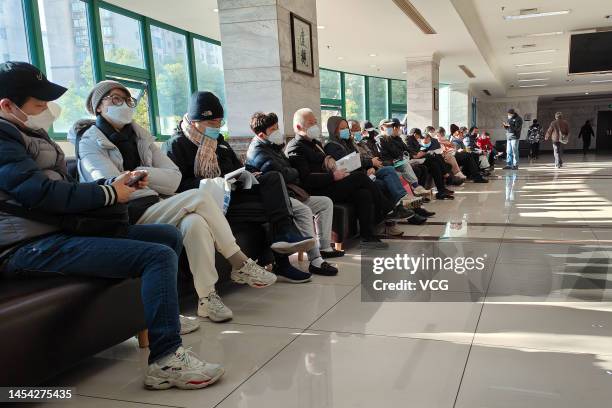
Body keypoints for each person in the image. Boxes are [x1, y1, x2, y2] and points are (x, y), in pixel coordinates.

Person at [0, 61, 223, 390]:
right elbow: (39, 192)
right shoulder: (5, 137)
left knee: (167, 235)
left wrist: (111, 190)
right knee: (157, 256)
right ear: (7, 105)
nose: (47, 110)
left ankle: (161, 320)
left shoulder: (28, 132)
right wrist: (108, 192)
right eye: (39, 104)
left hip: (57, 232)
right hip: (27, 247)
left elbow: (60, 187)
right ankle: (165, 359)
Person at [73, 82, 279, 323]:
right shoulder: (89, 141)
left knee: (195, 223)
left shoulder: (142, 137)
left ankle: (207, 298)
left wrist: (140, 173)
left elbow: (173, 178)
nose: (124, 105)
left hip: (154, 203)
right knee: (200, 195)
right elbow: (113, 187)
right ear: (98, 107)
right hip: (122, 212)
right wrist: (138, 179)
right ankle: (239, 261)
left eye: (128, 100)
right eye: (115, 99)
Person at [163, 92, 316, 284]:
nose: (216, 127)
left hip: (234, 194)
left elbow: (237, 168)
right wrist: (218, 183)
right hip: (209, 204)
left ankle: (286, 232)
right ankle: (283, 260)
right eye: (211, 123)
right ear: (195, 121)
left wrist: (250, 173)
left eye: (219, 122)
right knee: (273, 206)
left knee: (272, 178)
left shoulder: (220, 143)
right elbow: (175, 185)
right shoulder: (176, 145)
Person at [244, 111, 341, 276]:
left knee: (325, 202)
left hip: (291, 192)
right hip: (278, 197)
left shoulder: (272, 146)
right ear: (262, 134)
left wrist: (291, 172)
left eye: (277, 127)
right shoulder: (258, 151)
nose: (278, 131)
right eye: (273, 129)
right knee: (304, 210)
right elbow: (284, 173)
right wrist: (292, 172)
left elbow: (288, 170)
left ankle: (324, 247)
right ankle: (316, 260)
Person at [285, 108, 391, 249]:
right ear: (299, 127)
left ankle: (367, 236)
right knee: (359, 177)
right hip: (317, 190)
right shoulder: (295, 148)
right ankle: (386, 207)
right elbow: (306, 180)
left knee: (363, 194)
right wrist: (333, 176)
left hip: (329, 183)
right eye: (311, 123)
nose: (315, 126)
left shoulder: (314, 143)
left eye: (316, 122)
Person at [323, 116, 427, 226]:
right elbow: (351, 163)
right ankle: (407, 212)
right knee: (390, 180)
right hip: (358, 175)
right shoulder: (334, 145)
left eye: (347, 128)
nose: (347, 131)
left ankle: (407, 204)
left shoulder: (353, 142)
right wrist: (371, 164)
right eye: (343, 129)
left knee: (392, 172)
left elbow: (367, 158)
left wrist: (371, 166)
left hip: (371, 170)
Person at [353, 120, 434, 218]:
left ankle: (415, 209)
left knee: (403, 173)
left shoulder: (367, 143)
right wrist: (375, 165)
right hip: (380, 168)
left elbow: (377, 158)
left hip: (381, 167)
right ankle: (414, 210)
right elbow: (378, 158)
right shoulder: (377, 140)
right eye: (355, 130)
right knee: (397, 175)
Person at [370, 120, 432, 197]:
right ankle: (411, 193)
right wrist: (400, 157)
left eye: (391, 127)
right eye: (388, 127)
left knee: (420, 164)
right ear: (382, 128)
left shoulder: (391, 138)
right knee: (404, 168)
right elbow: (385, 156)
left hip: (397, 161)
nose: (391, 129)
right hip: (387, 164)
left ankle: (416, 187)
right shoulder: (380, 139)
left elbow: (403, 150)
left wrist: (402, 156)